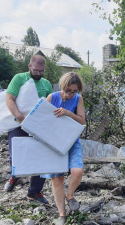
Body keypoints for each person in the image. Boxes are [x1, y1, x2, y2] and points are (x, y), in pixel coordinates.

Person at [5, 54, 53, 204]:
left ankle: (34, 192)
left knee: (40, 158)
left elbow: (50, 106)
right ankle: (14, 176)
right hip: (18, 123)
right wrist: (20, 116)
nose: (39, 74)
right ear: (29, 67)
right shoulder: (19, 78)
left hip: (38, 127)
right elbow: (9, 98)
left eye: (41, 71)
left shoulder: (46, 84)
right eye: (36, 71)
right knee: (16, 155)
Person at [41, 72, 85, 225]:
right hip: (53, 142)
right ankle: (62, 214)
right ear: (62, 87)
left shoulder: (78, 99)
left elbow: (81, 121)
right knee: (57, 178)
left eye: (74, 91)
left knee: (77, 171)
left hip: (71, 141)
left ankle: (70, 196)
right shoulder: (52, 98)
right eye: (68, 91)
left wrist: (67, 113)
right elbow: (41, 120)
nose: (70, 94)